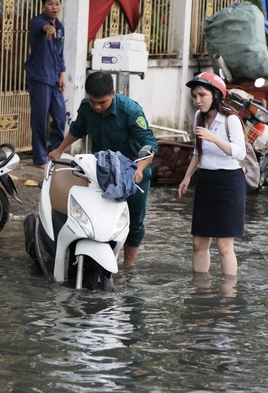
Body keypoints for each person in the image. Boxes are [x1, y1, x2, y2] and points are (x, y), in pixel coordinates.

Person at [48, 71, 157, 268]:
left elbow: (149, 143)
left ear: (113, 93)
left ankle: (128, 266)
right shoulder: (86, 107)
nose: (97, 107)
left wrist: (139, 169)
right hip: (102, 172)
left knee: (134, 223)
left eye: (103, 103)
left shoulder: (130, 111)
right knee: (97, 218)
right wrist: (59, 150)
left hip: (133, 176)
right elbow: (77, 129)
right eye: (93, 102)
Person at [177, 72, 246, 277]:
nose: (198, 101)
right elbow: (198, 152)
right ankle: (200, 289)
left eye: (202, 95)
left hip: (229, 183)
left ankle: (228, 295)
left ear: (216, 95)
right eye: (194, 96)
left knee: (224, 246)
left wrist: (214, 138)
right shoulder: (199, 118)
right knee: (198, 244)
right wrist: (187, 177)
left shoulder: (231, 119)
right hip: (206, 181)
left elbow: (239, 152)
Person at [24, 0, 67, 167]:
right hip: (40, 77)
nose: (54, 7)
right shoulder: (37, 22)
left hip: (55, 78)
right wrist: (48, 29)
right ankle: (40, 157)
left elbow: (60, 54)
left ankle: (54, 151)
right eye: (50, 4)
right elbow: (43, 27)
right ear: (44, 5)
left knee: (60, 117)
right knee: (40, 119)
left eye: (57, 4)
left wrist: (62, 75)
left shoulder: (61, 27)